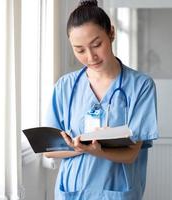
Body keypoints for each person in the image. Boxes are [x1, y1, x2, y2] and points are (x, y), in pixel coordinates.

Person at [44, 0, 159, 199]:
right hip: (72, 191)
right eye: (79, 50)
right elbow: (50, 150)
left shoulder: (141, 86)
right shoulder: (65, 86)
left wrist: (96, 151)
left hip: (116, 191)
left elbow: (131, 154)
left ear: (111, 33)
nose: (91, 56)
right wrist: (80, 148)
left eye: (97, 45)